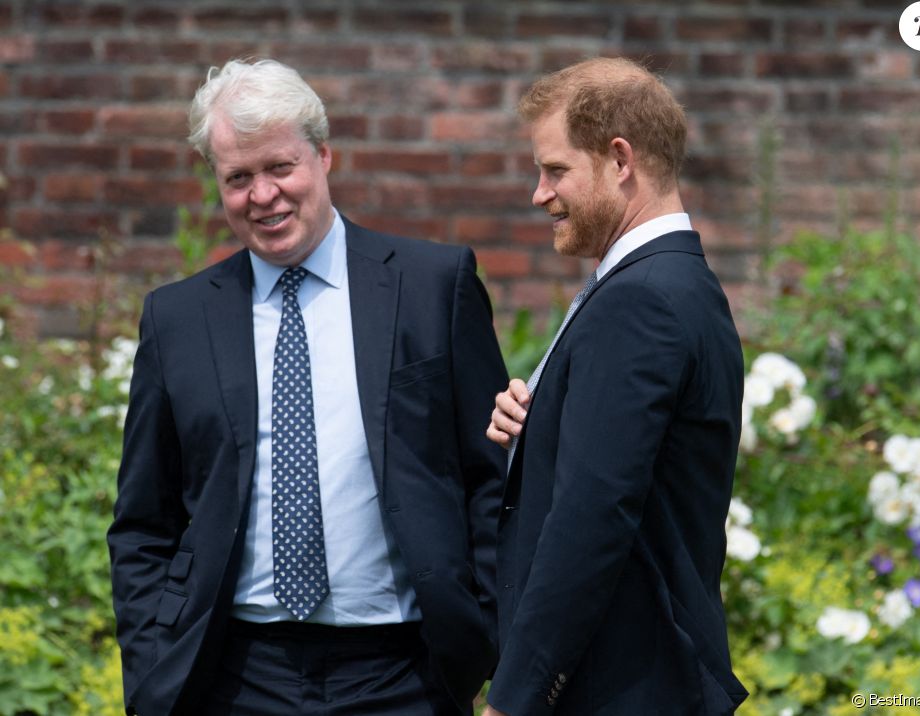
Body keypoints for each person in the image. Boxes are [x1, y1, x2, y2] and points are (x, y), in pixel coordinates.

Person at [107, 58, 508, 716]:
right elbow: (145, 520)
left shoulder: (433, 287)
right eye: (238, 178)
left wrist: (486, 638)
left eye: (279, 167)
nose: (262, 196)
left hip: (403, 676)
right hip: (234, 677)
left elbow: (492, 480)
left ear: (324, 156)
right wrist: (154, 666)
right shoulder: (177, 319)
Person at [483, 57, 748, 715]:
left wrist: (515, 699)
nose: (538, 194)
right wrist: (536, 424)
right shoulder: (675, 285)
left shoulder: (641, 302)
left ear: (620, 160)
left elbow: (592, 515)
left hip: (620, 689)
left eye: (555, 170)